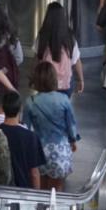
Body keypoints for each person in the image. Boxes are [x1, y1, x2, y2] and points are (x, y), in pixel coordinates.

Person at [22, 62, 79, 191]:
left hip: (39, 150)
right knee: (56, 190)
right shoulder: (64, 99)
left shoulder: (30, 102)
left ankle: (41, 209)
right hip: (60, 149)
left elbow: (26, 128)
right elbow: (71, 125)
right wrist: (73, 141)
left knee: (41, 188)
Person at [33, 2, 84, 98]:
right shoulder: (69, 36)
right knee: (63, 108)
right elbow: (76, 60)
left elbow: (37, 57)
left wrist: (34, 78)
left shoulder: (42, 35)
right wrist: (81, 80)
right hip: (65, 83)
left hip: (45, 82)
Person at [0, 91, 46, 190]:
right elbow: (34, 173)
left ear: (2, 108)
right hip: (22, 191)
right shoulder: (31, 137)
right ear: (20, 109)